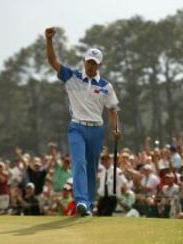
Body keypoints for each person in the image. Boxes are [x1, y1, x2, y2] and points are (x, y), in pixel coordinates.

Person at [45, 27, 121, 216]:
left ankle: (87, 204)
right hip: (77, 127)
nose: (90, 65)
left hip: (96, 130)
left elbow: (112, 109)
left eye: (94, 63)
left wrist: (116, 129)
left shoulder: (106, 86)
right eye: (88, 62)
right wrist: (49, 40)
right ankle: (81, 201)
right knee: (79, 162)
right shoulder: (73, 77)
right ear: (84, 61)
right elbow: (53, 62)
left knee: (92, 168)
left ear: (99, 64)